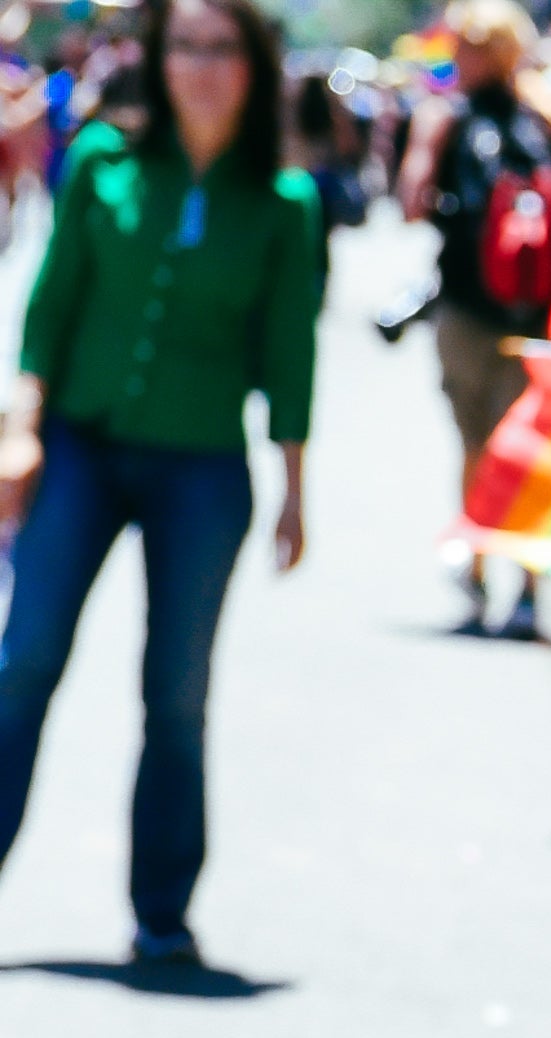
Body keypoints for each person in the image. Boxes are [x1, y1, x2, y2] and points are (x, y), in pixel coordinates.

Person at [0, 0, 314, 973]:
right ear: (159, 56)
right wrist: (20, 426)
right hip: (84, 449)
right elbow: (49, 307)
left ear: (254, 66)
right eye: (186, 45)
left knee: (175, 695)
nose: (203, 66)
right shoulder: (101, 161)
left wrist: (297, 487)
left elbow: (291, 356)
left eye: (223, 48)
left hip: (202, 468)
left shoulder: (285, 203)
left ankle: (162, 911)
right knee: (24, 663)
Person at [400, 0, 551, 641]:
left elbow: (412, 200)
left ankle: (475, 575)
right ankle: (525, 590)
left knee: (476, 445)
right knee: (526, 450)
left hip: (470, 305)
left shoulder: (445, 117)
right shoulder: (549, 116)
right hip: (539, 308)